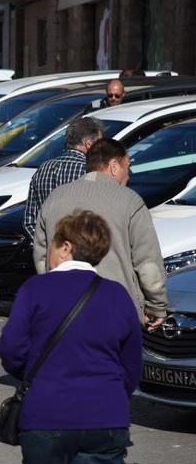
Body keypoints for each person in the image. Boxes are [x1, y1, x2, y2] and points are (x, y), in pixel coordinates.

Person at [0, 210, 142, 464]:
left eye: (52, 243)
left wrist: (32, 375)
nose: (48, 252)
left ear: (66, 247)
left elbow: (10, 349)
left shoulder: (35, 289)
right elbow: (132, 364)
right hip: (105, 416)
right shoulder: (118, 295)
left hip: (46, 415)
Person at [34, 138, 168, 329]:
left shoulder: (54, 198)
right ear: (114, 166)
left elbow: (42, 258)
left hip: (61, 311)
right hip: (115, 313)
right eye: (126, 167)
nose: (128, 176)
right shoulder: (130, 202)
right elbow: (148, 265)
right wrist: (156, 306)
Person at [23, 116, 103, 239]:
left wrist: (47, 247)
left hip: (48, 253)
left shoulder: (43, 169)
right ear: (89, 144)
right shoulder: (90, 171)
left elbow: (29, 221)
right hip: (82, 252)